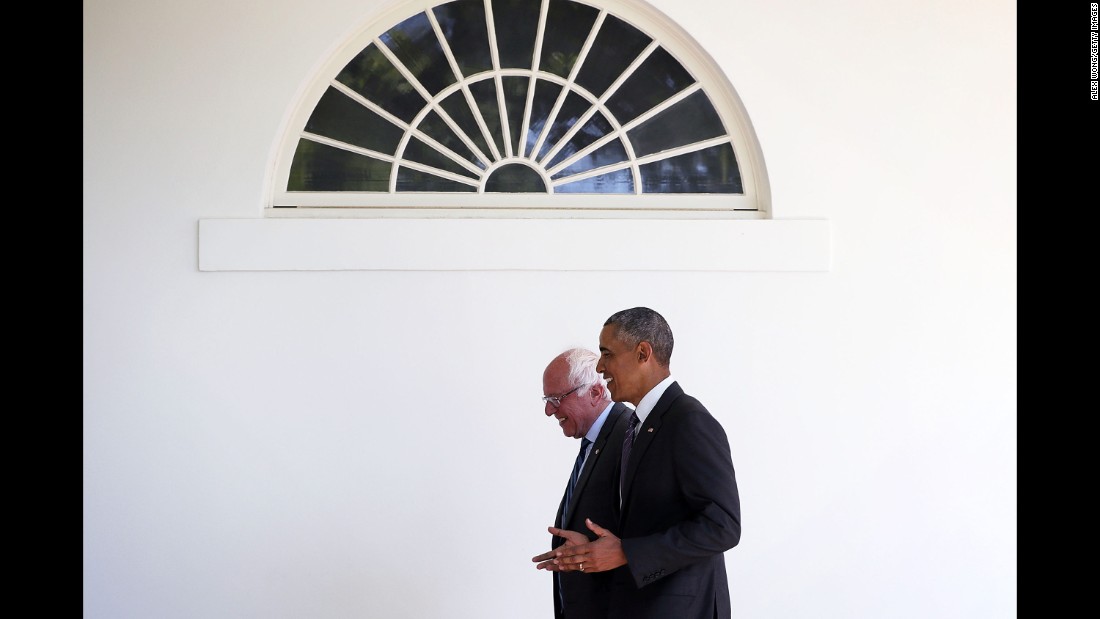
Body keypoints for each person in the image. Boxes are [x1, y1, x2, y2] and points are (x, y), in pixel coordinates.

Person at [533, 307, 742, 619]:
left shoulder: (688, 420)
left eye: (607, 354)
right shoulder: (639, 426)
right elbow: (649, 520)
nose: (600, 366)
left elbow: (723, 526)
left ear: (643, 353)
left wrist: (626, 552)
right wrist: (590, 547)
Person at [537, 348, 632, 619]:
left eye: (556, 399)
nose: (548, 410)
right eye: (546, 399)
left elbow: (651, 533)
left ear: (595, 392)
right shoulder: (594, 441)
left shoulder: (630, 437)